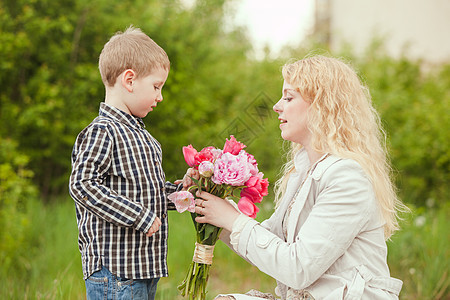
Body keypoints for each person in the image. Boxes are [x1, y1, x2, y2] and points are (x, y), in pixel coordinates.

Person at [194, 55, 408, 299]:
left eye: (288, 97)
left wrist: (231, 219)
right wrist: (212, 210)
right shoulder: (304, 172)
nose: (276, 106)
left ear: (322, 105)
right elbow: (273, 243)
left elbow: (298, 269)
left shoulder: (347, 178)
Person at [69, 26, 194, 300]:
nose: (160, 96)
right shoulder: (103, 130)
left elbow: (148, 192)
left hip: (143, 266)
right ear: (129, 80)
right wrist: (138, 216)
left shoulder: (145, 138)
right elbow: (82, 185)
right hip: (115, 271)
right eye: (157, 86)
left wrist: (184, 194)